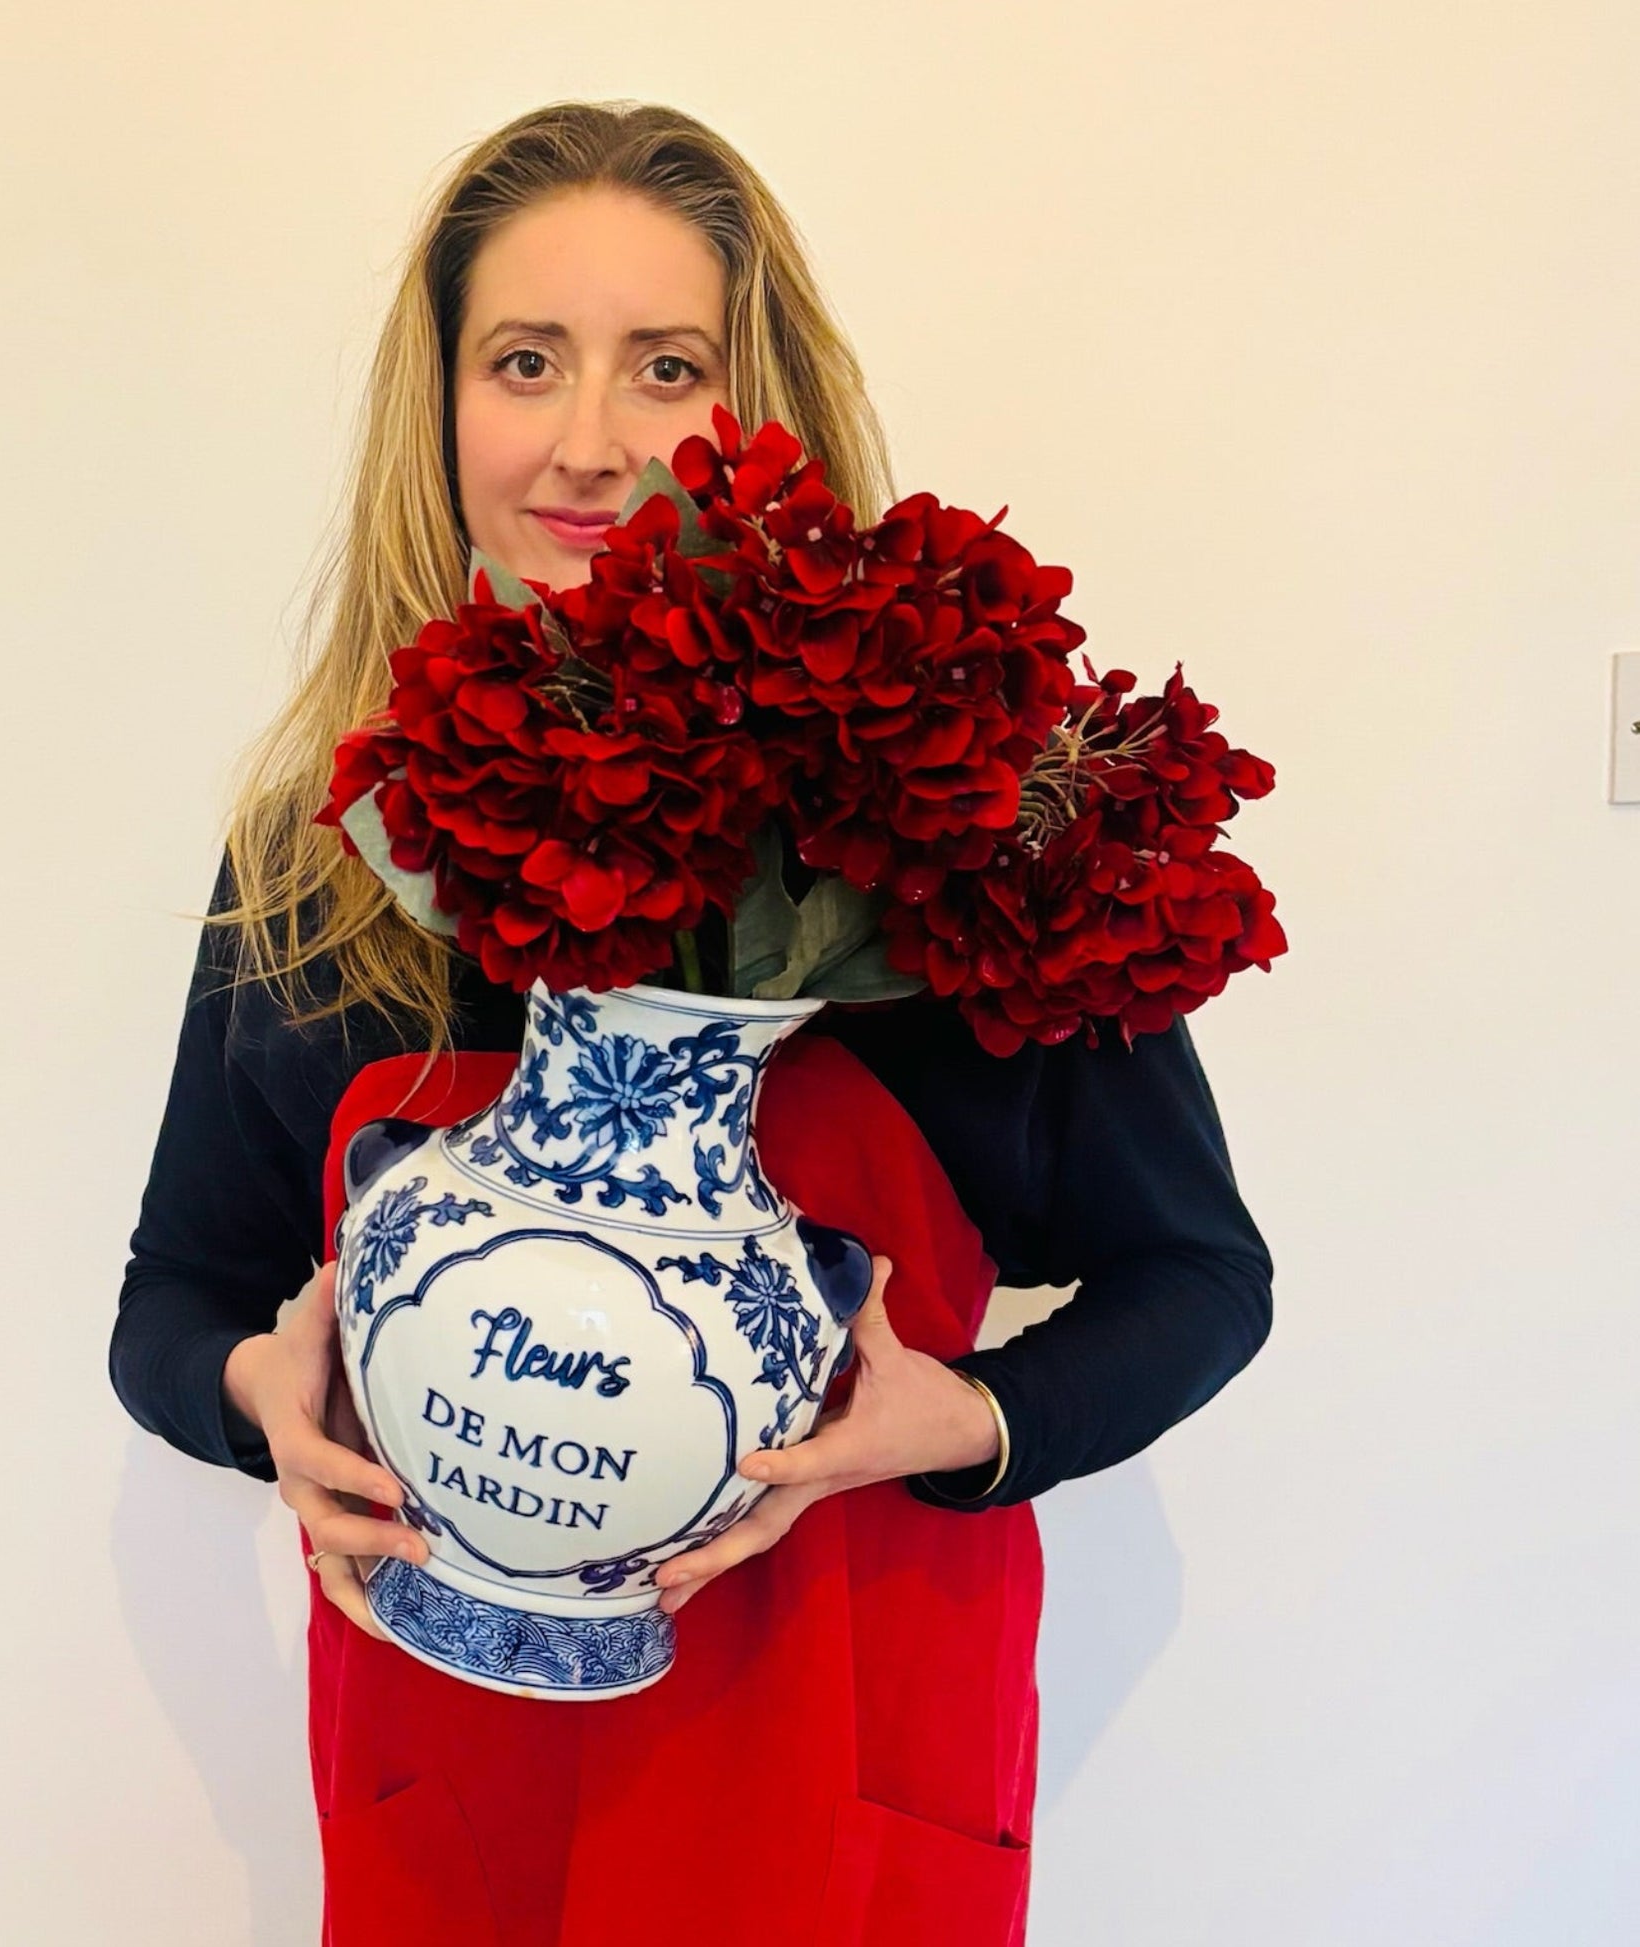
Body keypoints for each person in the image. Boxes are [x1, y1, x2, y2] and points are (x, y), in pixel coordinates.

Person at [112, 100, 1274, 1947]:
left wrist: (967, 1420)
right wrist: (256, 1397)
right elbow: (174, 1294)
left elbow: (1198, 1277)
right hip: (453, 1754)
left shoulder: (936, 835)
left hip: (845, 1770)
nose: (589, 445)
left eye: (668, 368)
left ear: (765, 421)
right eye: (523, 363)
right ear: (439, 414)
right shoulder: (321, 855)